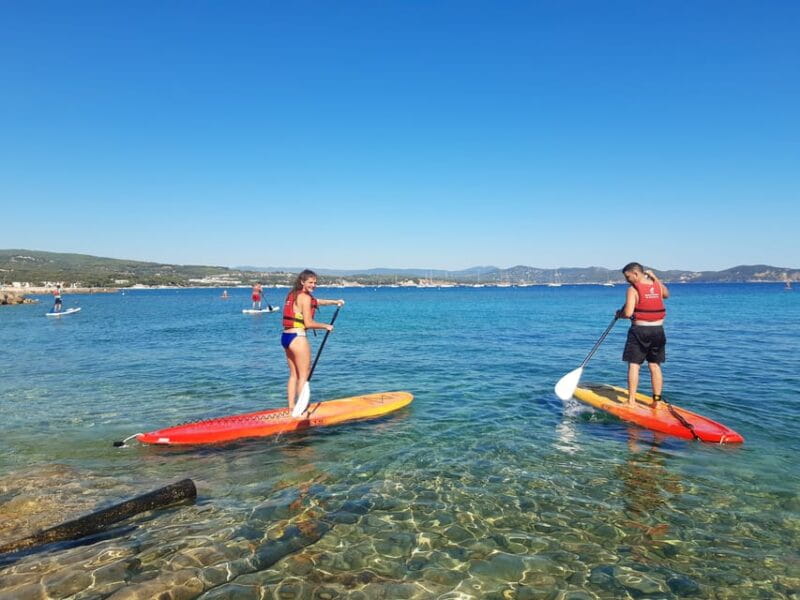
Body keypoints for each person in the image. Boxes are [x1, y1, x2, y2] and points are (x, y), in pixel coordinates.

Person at [281, 270, 344, 414]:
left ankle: (291, 407)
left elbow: (315, 301)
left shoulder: (292, 294)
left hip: (285, 337)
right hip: (298, 338)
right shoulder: (305, 297)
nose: (313, 285)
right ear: (302, 282)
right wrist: (326, 326)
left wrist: (334, 302)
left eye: (315, 283)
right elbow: (308, 323)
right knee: (304, 375)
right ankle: (301, 411)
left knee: (293, 375)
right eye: (310, 282)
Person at [617, 263, 669, 407]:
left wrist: (619, 314)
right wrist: (655, 278)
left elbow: (628, 313)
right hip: (658, 331)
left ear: (636, 273)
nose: (627, 280)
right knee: (655, 366)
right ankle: (656, 402)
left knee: (634, 365)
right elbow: (666, 294)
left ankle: (631, 401)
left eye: (628, 277)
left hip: (640, 332)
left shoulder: (632, 289)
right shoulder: (657, 285)